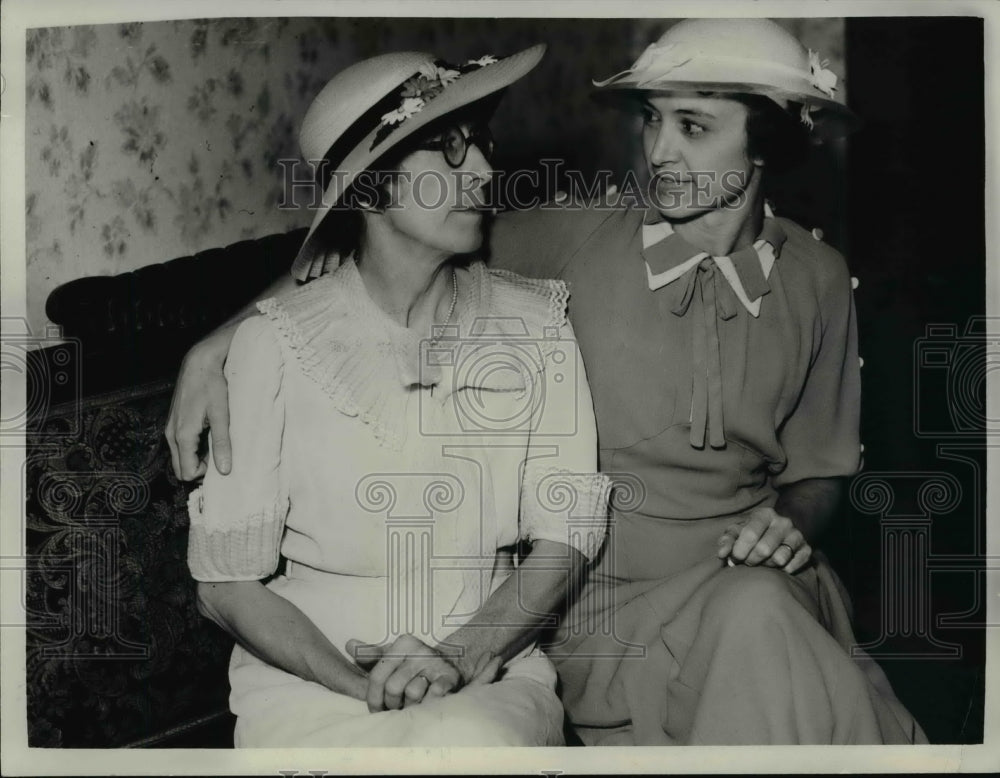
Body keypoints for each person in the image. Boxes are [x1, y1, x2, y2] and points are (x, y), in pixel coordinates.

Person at [169, 19, 927, 745]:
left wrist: (790, 522)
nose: (659, 151)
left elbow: (820, 471)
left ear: (767, 142)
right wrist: (214, 346)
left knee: (760, 614)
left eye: (693, 127)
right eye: (650, 122)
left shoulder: (820, 277)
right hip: (604, 602)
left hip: (753, 583)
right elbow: (380, 248)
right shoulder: (574, 234)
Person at [183, 44, 611, 747]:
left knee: (472, 750)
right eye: (448, 150)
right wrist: (353, 685)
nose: (482, 169)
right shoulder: (272, 347)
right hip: (307, 674)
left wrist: (460, 656)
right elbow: (226, 586)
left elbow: (564, 541)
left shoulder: (536, 326)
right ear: (372, 187)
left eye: (481, 145)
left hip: (488, 666)